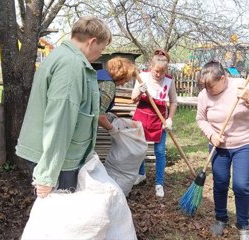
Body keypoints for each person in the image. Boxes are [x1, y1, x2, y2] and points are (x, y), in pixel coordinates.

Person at [15, 17, 112, 198]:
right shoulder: (71, 65)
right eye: (102, 48)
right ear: (92, 42)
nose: (101, 54)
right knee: (60, 221)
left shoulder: (62, 55)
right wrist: (47, 175)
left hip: (56, 156)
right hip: (59, 161)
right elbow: (59, 120)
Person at [196, 61, 249, 239]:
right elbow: (201, 119)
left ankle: (243, 224)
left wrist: (248, 99)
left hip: (243, 144)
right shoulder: (204, 94)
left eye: (211, 86)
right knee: (220, 183)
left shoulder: (242, 85)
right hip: (219, 146)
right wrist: (211, 135)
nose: (208, 91)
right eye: (205, 87)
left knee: (241, 186)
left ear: (223, 79)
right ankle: (220, 218)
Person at [131, 50, 178, 197]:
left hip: (160, 120)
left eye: (162, 73)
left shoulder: (169, 81)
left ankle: (159, 183)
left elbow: (174, 101)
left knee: (159, 152)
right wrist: (140, 91)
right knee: (140, 149)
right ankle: (141, 174)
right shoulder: (142, 77)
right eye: (156, 71)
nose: (158, 75)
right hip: (142, 118)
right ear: (151, 67)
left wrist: (170, 119)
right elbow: (133, 99)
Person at [97, 57, 138, 131]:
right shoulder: (108, 86)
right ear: (121, 76)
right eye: (125, 81)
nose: (123, 84)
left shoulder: (98, 74)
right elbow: (99, 116)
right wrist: (113, 130)